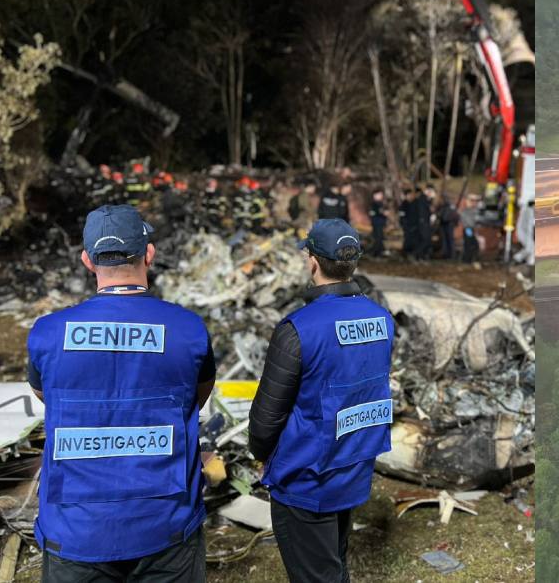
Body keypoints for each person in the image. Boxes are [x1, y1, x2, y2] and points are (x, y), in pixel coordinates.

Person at [26, 204, 215, 582]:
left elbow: (49, 396)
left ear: (86, 260)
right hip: (166, 526)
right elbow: (196, 398)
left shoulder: (47, 333)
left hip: (75, 530)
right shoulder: (188, 329)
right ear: (149, 253)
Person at [249, 219, 394, 583]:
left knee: (317, 573)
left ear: (312, 261)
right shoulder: (382, 320)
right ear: (353, 263)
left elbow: (267, 415)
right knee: (332, 562)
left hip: (305, 478)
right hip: (352, 466)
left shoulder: (298, 328)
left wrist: (261, 455)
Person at [436, 195, 460, 260]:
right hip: (444, 224)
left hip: (449, 224)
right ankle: (446, 254)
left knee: (449, 240)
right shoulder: (442, 206)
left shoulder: (449, 206)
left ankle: (451, 255)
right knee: (445, 240)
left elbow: (456, 215)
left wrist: (455, 223)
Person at [413, 186, 432, 260]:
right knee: (426, 240)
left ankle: (420, 255)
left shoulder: (420, 199)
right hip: (424, 223)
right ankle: (417, 253)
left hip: (422, 222)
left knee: (423, 239)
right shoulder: (423, 199)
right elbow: (426, 211)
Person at [461, 194, 480, 264]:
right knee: (470, 244)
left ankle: (468, 259)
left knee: (471, 244)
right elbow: (467, 222)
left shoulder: (474, 210)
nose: (474, 202)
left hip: (469, 229)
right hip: (468, 229)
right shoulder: (466, 211)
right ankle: (467, 259)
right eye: (472, 201)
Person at [369, 188, 388, 257]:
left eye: (381, 194)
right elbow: (373, 214)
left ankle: (379, 252)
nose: (380, 196)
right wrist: (382, 213)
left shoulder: (381, 203)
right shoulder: (373, 204)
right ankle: (375, 253)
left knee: (380, 238)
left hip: (381, 223)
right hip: (376, 223)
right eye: (378, 194)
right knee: (378, 238)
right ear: (374, 195)